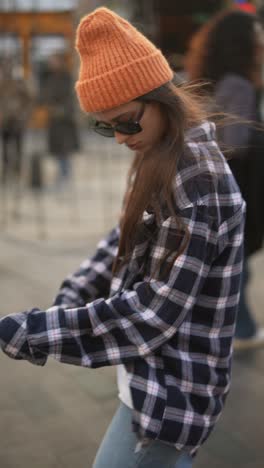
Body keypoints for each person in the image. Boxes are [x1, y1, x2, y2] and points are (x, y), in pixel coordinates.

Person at [0, 7, 245, 467]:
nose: (118, 138)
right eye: (104, 125)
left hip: (172, 392)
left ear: (162, 98)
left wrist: (38, 330)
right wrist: (68, 297)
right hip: (149, 379)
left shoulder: (197, 180)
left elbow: (154, 313)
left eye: (126, 121)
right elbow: (122, 239)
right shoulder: (159, 151)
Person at [184, 8, 264, 351]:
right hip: (236, 190)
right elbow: (233, 144)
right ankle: (240, 331)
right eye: (257, 38)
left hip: (211, 191)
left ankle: (238, 328)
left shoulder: (211, 79)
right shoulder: (239, 85)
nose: (261, 44)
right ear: (243, 44)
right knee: (237, 265)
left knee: (229, 264)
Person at [42, 53, 79, 189]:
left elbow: (71, 99)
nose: (51, 64)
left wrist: (61, 110)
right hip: (54, 122)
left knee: (65, 149)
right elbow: (46, 96)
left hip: (65, 121)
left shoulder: (67, 78)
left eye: (54, 61)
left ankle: (65, 176)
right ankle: (61, 175)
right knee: (57, 150)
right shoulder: (50, 78)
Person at [0, 59, 33, 184]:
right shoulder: (2, 84)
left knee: (18, 147)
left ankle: (18, 172)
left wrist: (24, 116)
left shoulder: (20, 83)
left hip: (17, 121)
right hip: (5, 121)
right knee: (5, 148)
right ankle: (6, 172)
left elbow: (29, 100)